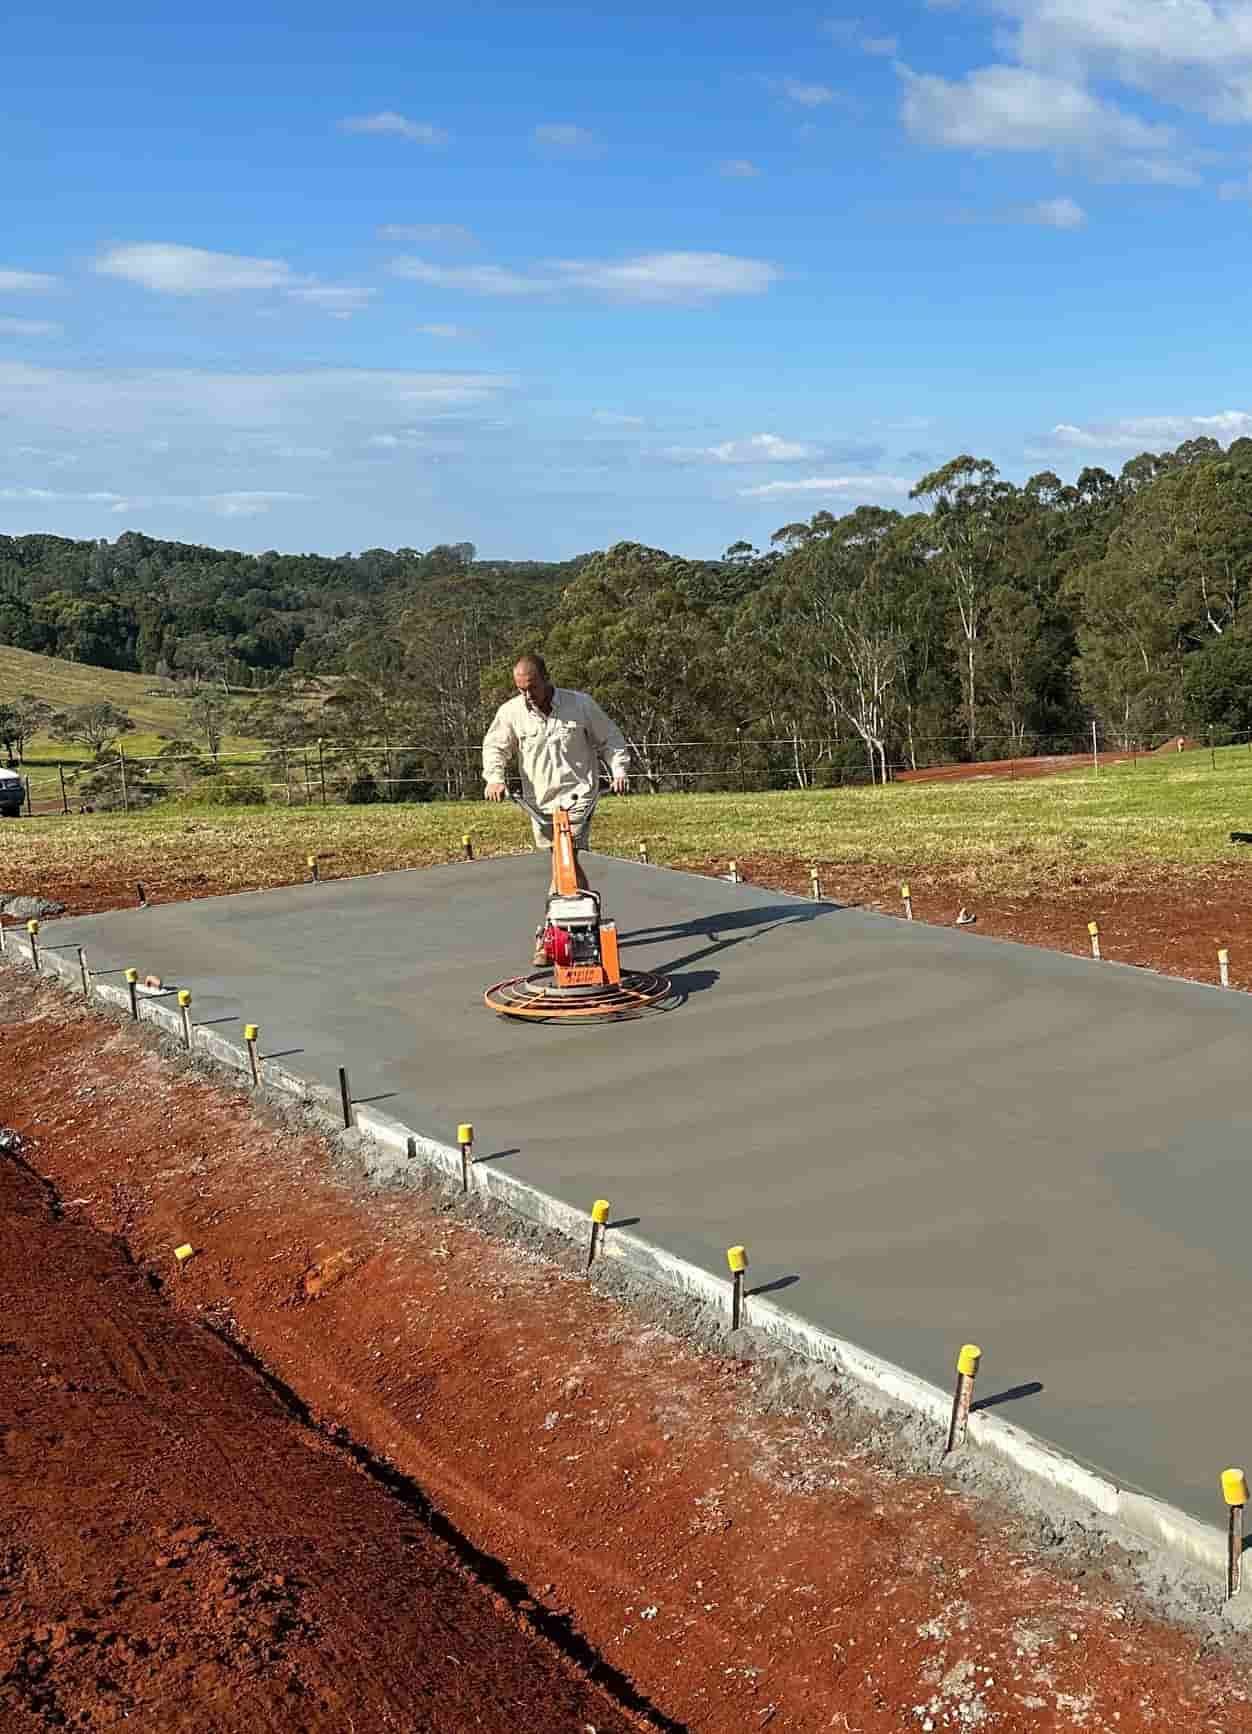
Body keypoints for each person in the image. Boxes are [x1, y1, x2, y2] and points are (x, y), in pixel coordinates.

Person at [482, 654, 630, 965]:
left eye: (532, 687)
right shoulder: (511, 712)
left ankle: (550, 933)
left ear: (546, 679)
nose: (527, 695)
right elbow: (495, 746)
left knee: (567, 857)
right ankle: (586, 922)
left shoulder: (580, 705)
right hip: (541, 803)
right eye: (521, 689)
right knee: (563, 862)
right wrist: (494, 778)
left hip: (578, 798)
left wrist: (618, 770)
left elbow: (610, 739)